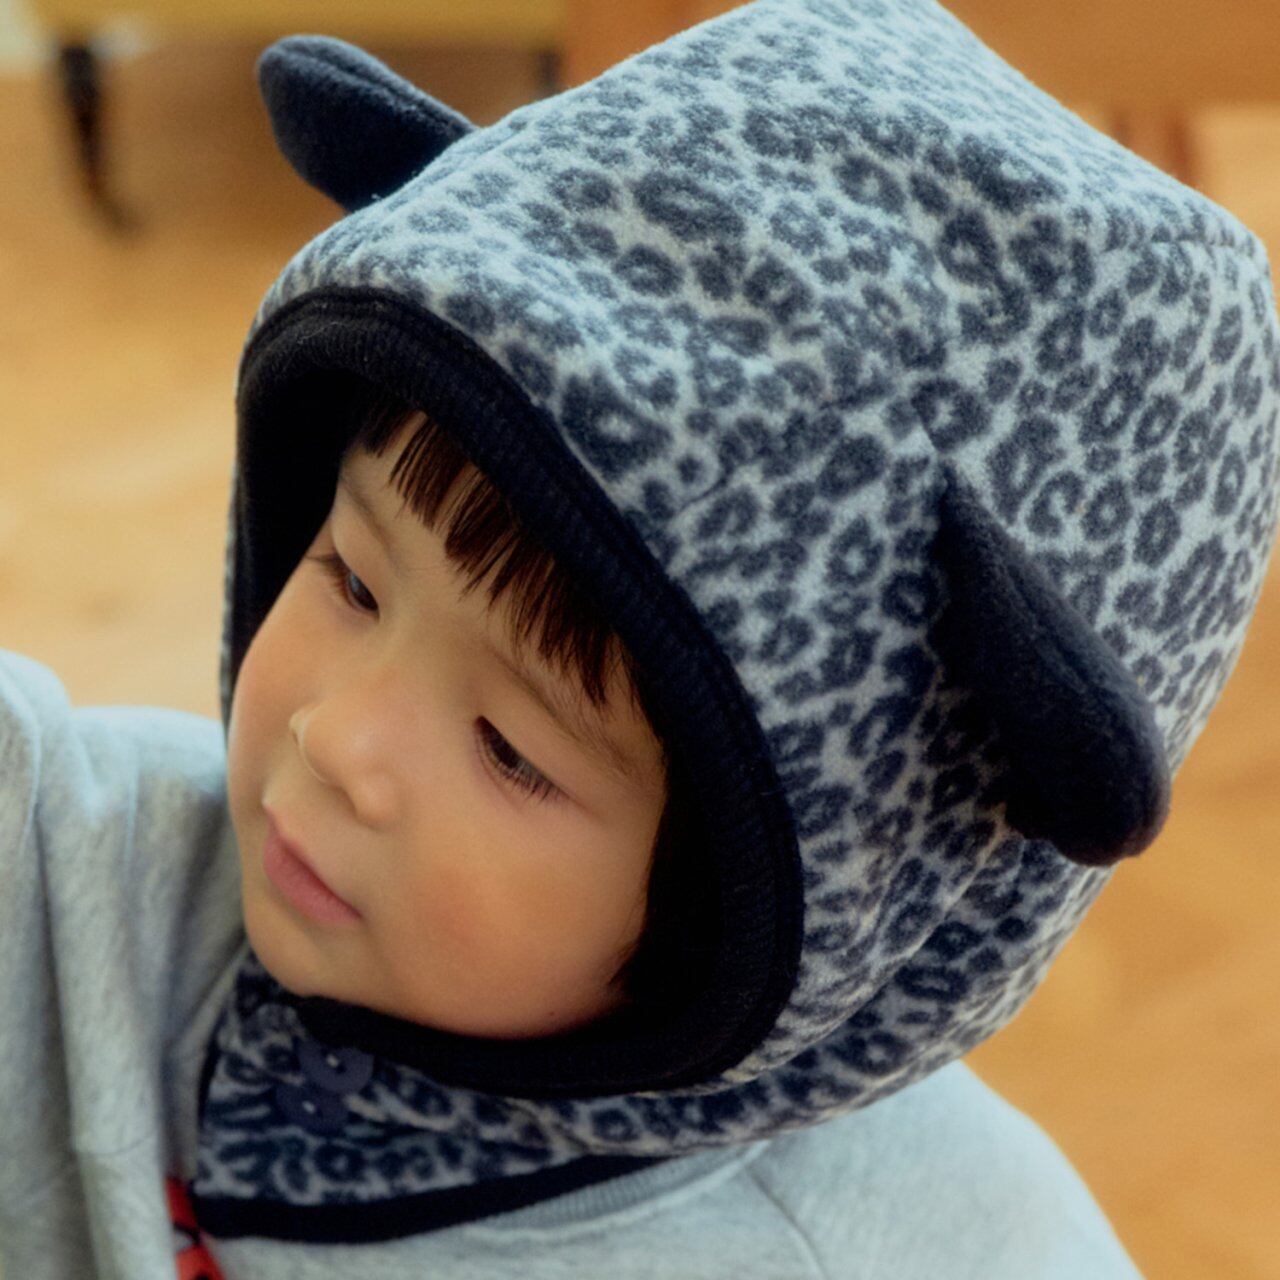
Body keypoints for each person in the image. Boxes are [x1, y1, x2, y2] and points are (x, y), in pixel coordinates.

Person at [4, 1, 1278, 1275]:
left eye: (509, 748)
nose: (335, 737)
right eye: (351, 579)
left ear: (735, 922)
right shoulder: (93, 878)